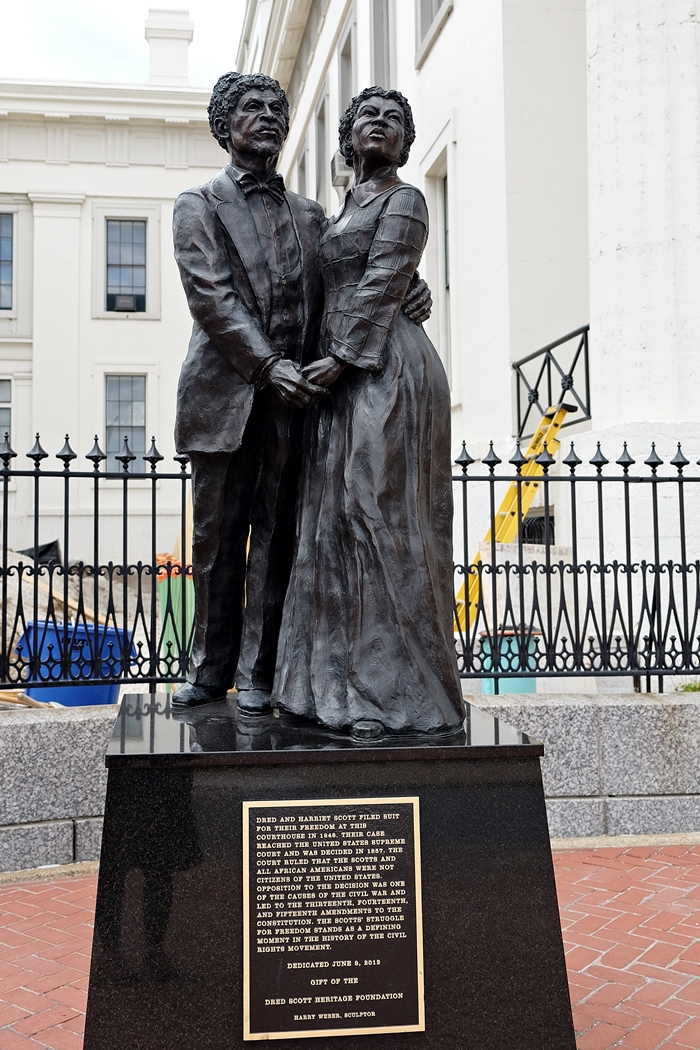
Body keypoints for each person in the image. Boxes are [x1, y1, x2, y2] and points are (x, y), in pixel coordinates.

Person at [171, 73, 431, 711]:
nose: (264, 118)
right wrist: (266, 366)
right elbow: (214, 298)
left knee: (280, 540)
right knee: (218, 541)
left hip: (302, 405)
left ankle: (261, 674)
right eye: (250, 109)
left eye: (274, 110)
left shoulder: (315, 215)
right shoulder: (197, 205)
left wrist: (409, 291)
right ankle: (209, 672)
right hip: (231, 396)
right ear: (223, 126)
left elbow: (352, 277)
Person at [273, 87, 465, 741]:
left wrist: (341, 361)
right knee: (332, 525)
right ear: (348, 139)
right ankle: (325, 689)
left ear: (405, 144)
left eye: (395, 121)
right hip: (343, 378)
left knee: (378, 519)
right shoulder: (341, 210)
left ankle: (396, 696)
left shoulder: (406, 199)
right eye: (368, 118)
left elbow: (386, 279)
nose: (380, 126)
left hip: (384, 373)